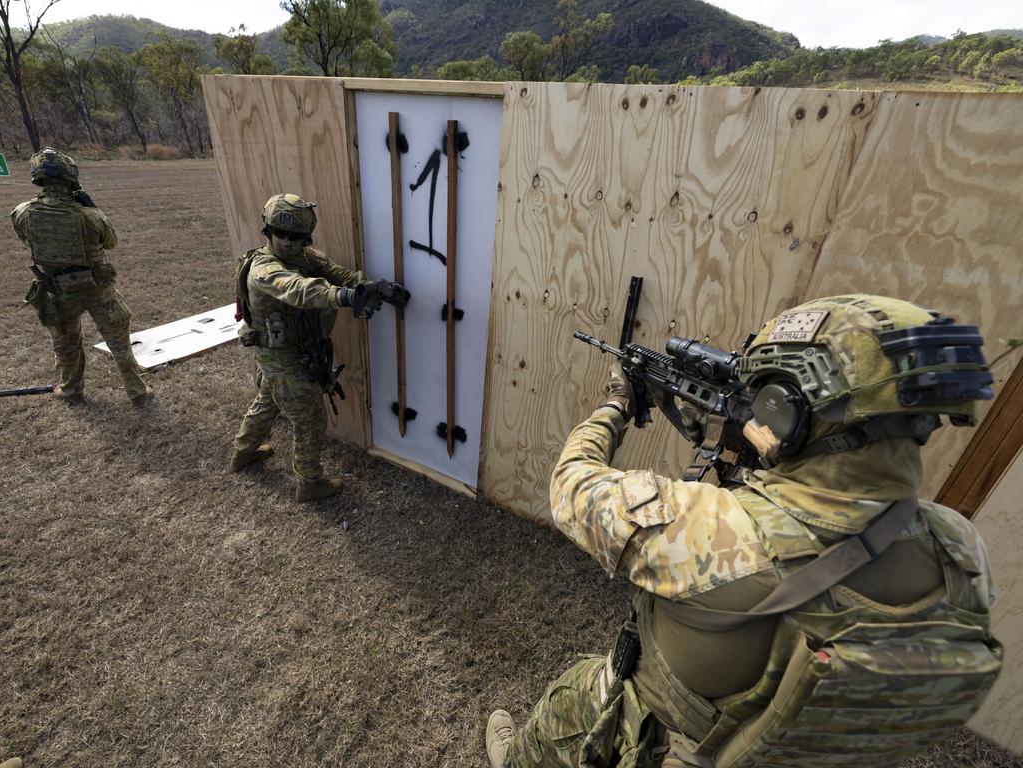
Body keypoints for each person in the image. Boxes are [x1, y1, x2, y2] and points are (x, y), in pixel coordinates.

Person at [487, 294, 1002, 768]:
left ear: (784, 408)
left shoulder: (706, 532)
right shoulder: (960, 546)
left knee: (581, 693)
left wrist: (616, 403)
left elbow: (572, 482)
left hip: (658, 743)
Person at [231, 193, 408, 502]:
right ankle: (310, 482)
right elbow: (299, 289)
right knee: (310, 420)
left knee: (268, 402)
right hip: (283, 357)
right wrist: (346, 297)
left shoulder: (308, 257)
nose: (286, 242)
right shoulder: (264, 270)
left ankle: (243, 452)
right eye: (279, 233)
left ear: (306, 237)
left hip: (286, 355)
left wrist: (372, 286)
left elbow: (340, 275)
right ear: (267, 231)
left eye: (296, 237)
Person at [10, 148, 152, 406]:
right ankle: (137, 391)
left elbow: (27, 240)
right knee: (119, 344)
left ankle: (71, 389)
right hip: (98, 288)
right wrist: (91, 209)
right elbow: (110, 242)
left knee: (66, 344)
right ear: (70, 177)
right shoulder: (89, 216)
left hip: (59, 290)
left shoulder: (22, 213)